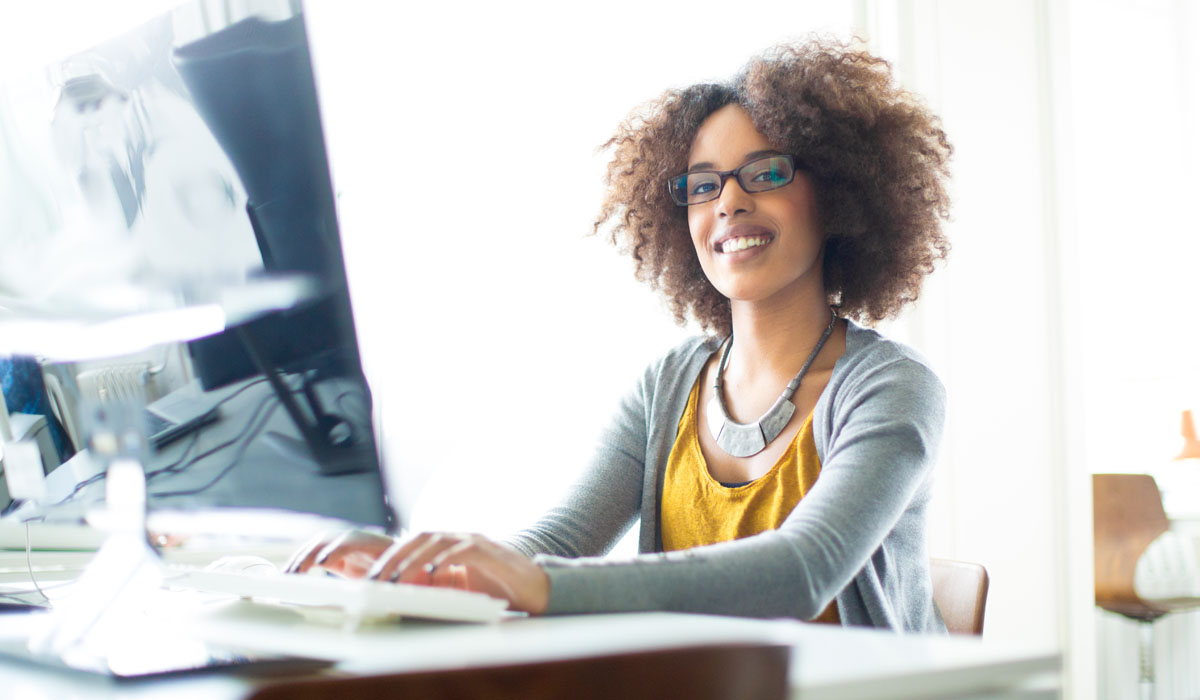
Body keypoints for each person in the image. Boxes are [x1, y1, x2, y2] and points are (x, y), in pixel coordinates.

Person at [288, 38, 953, 632]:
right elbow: (562, 541)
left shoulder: (892, 388)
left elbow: (800, 573)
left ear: (837, 196)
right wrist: (409, 569)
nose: (728, 202)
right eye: (702, 186)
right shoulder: (669, 385)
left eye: (766, 172)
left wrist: (539, 584)